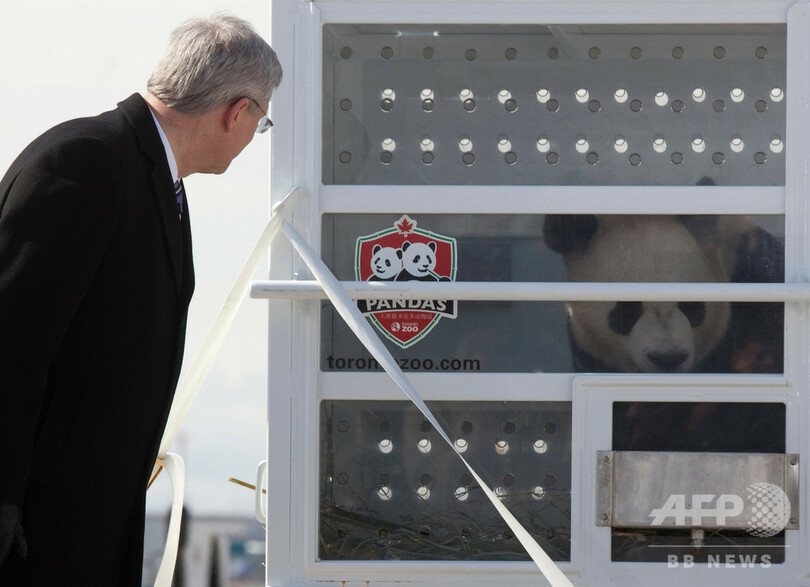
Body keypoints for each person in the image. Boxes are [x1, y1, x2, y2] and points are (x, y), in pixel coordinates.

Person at [0, 14, 282, 585]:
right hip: (35, 527)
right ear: (238, 111)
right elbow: (9, 344)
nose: (255, 135)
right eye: (263, 121)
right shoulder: (85, 161)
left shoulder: (153, 179)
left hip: (91, 521)